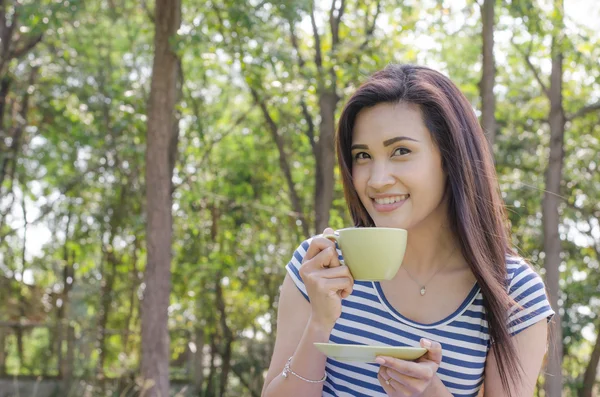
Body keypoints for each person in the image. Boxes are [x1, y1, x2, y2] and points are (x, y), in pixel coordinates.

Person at [261, 64, 555, 397]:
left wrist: (431, 392)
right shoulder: (320, 265)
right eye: (362, 155)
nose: (376, 179)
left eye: (401, 151)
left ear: (450, 157)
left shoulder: (514, 293)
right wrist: (320, 322)